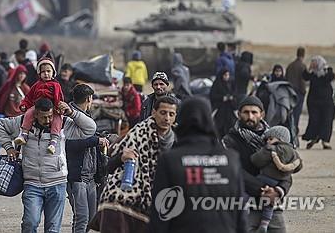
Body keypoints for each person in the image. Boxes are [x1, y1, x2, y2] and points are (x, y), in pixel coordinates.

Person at [0, 98, 96, 233]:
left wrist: (72, 113)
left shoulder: (63, 124)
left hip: (57, 183)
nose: (48, 120)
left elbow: (90, 128)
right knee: (30, 223)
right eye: (44, 117)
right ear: (35, 114)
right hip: (32, 184)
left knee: (53, 228)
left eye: (50, 116)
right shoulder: (22, 122)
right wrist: (9, 148)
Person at [150, 97, 247, 233]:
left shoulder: (170, 160)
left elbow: (160, 216)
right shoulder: (231, 159)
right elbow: (241, 215)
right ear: (209, 120)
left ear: (181, 120)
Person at [90, 96, 178, 233]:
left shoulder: (178, 140)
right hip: (127, 197)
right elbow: (110, 166)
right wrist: (122, 157)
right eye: (163, 113)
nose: (166, 118)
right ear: (154, 113)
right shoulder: (137, 134)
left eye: (171, 114)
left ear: (175, 117)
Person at [223, 96, 291, 233]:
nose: (250, 116)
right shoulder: (229, 140)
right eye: (246, 112)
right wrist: (263, 190)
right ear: (238, 114)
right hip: (246, 206)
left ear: (262, 114)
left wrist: (278, 191)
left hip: (272, 205)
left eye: (254, 112)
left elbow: (286, 169)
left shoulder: (275, 139)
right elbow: (234, 171)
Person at [65, 84, 109, 233]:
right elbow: (69, 145)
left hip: (91, 177)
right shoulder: (69, 118)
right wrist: (96, 141)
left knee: (91, 218)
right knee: (81, 218)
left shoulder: (84, 116)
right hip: (77, 177)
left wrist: (100, 138)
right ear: (89, 99)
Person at [251, 126, 302, 233]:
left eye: (270, 138)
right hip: (278, 183)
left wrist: (264, 150)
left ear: (280, 139)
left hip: (265, 178)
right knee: (270, 203)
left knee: (246, 192)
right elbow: (298, 166)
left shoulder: (272, 149)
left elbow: (256, 161)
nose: (268, 141)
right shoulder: (293, 152)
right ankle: (265, 223)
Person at [15, 58, 64, 154]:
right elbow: (29, 97)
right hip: (37, 107)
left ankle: (53, 142)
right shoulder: (36, 85)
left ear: (53, 72)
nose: (46, 74)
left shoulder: (56, 85)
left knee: (57, 119)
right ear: (39, 73)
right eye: (43, 72)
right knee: (29, 113)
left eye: (48, 71)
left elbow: (59, 98)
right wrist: (24, 105)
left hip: (52, 108)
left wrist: (59, 108)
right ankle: (24, 134)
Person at [302, 56, 335, 150]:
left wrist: (325, 71)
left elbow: (331, 77)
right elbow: (305, 77)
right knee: (314, 120)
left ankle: (325, 141)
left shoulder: (327, 71)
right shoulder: (312, 73)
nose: (314, 64)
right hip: (314, 102)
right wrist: (309, 68)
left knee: (327, 120)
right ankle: (312, 138)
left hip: (327, 102)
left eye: (315, 62)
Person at [285, 47, 307, 137]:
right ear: (303, 55)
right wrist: (304, 91)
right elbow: (303, 80)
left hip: (289, 91)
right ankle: (294, 129)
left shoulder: (290, 65)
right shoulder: (302, 66)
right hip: (298, 92)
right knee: (297, 112)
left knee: (290, 112)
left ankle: (289, 128)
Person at [210, 69, 237, 138]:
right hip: (220, 109)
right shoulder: (217, 84)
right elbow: (213, 95)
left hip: (229, 109)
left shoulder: (230, 83)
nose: (227, 77)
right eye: (225, 75)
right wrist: (222, 98)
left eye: (228, 75)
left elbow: (234, 94)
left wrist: (231, 97)